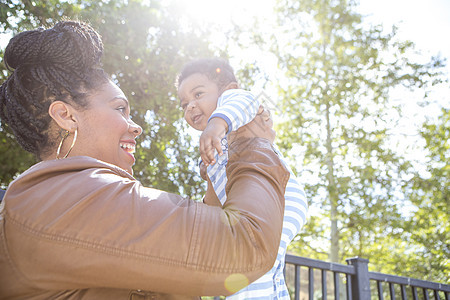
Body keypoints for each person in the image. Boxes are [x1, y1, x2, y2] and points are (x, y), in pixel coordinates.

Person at [0, 21, 290, 299]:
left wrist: (217, 173)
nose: (136, 126)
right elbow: (244, 244)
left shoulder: (67, 198)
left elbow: (202, 253)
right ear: (66, 116)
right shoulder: (66, 199)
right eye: (119, 109)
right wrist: (252, 144)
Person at [176, 58, 308, 299]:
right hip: (256, 208)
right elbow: (214, 204)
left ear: (228, 91)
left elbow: (244, 101)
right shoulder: (213, 146)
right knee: (264, 269)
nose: (190, 106)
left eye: (198, 94)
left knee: (249, 262)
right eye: (184, 104)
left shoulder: (233, 111)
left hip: (278, 197)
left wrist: (218, 123)